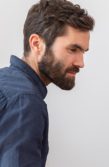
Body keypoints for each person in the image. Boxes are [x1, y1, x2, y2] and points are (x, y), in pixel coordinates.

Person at [0, 0, 94, 166]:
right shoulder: (25, 102)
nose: (80, 63)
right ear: (37, 44)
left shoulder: (6, 84)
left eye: (83, 52)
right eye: (73, 49)